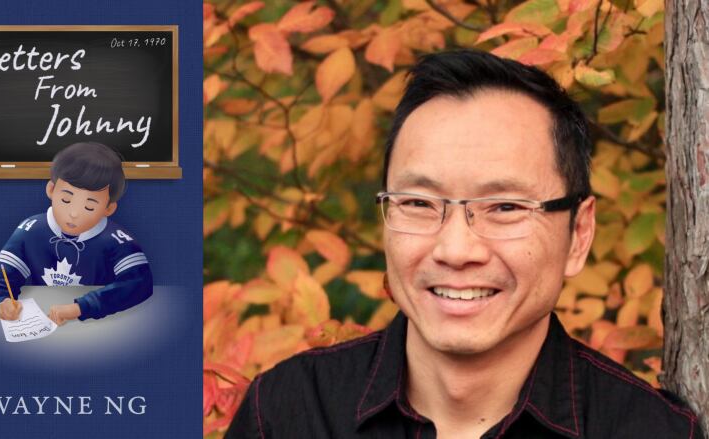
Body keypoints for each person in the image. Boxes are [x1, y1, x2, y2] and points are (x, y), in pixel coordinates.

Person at [225, 50, 704, 438]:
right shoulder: (290, 411)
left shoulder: (649, 431)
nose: (456, 250)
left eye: (506, 208)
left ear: (578, 233)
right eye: (418, 203)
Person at [0, 141, 153, 326]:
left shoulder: (117, 241)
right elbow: (3, 278)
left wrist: (81, 307)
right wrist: (2, 301)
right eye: (66, 199)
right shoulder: (30, 230)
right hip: (39, 323)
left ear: (109, 208)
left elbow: (140, 284)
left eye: (89, 206)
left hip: (98, 326)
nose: (74, 213)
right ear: (51, 190)